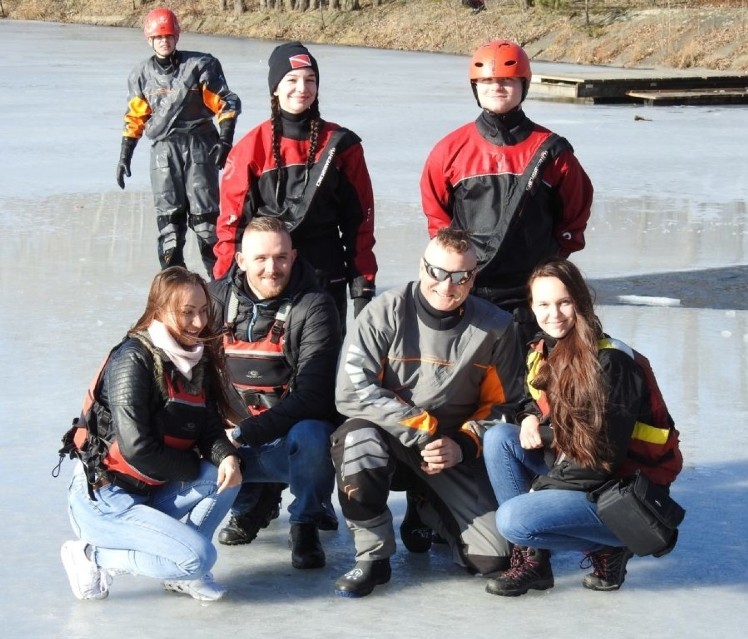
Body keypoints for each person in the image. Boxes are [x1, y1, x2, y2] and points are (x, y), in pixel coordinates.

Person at [331, 228, 524, 598]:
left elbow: (505, 406)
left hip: (448, 450)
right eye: (437, 272)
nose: (446, 286)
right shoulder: (382, 313)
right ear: (422, 267)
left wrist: (464, 444)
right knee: (357, 441)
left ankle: (425, 504)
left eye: (460, 277)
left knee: (492, 557)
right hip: (386, 437)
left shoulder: (496, 328)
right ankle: (373, 557)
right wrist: (424, 431)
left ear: (473, 278)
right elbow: (351, 390)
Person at [482, 258, 683, 596]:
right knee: (499, 438)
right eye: (543, 304)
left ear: (581, 302)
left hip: (627, 489)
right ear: (532, 306)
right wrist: (529, 417)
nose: (554, 314)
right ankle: (533, 562)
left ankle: (611, 545)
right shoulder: (544, 350)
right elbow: (536, 399)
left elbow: (599, 457)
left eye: (564, 302)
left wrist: (541, 488)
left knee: (513, 519)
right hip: (583, 472)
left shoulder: (611, 363)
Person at [60, 267, 243, 602]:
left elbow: (209, 428)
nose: (199, 323)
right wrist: (193, 464)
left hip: (151, 490)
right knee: (199, 558)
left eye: (203, 311)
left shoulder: (194, 358)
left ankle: (181, 574)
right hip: (107, 499)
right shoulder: (133, 359)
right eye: (187, 313)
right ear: (159, 311)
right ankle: (90, 555)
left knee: (227, 476)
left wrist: (225, 456)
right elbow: (137, 449)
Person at [420, 39, 593, 347]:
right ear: (475, 87)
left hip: (533, 294)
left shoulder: (554, 152)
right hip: (473, 289)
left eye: (506, 81)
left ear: (523, 85)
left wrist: (551, 267)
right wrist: (456, 270)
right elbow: (437, 220)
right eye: (487, 81)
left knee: (534, 381)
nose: (496, 87)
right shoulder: (450, 150)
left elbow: (575, 215)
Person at [213, 41, 377, 329]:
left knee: (321, 370)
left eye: (310, 80)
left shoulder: (343, 146)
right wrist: (220, 289)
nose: (302, 88)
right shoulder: (250, 149)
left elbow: (359, 223)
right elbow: (231, 229)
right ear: (275, 88)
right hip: (268, 280)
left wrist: (362, 287)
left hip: (325, 279)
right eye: (292, 80)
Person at [208, 217, 341, 569]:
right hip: (231, 438)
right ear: (240, 261)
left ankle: (305, 522)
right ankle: (253, 500)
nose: (272, 268)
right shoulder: (215, 299)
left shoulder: (315, 306)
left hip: (284, 440)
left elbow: (315, 397)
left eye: (281, 257)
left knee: (314, 434)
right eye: (261, 258)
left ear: (294, 256)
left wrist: (242, 434)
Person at [116, 7, 241, 277]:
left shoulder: (200, 67)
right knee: (169, 223)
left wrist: (224, 139)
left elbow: (226, 103)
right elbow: (136, 116)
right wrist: (125, 154)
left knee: (205, 221)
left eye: (169, 36)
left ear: (177, 37)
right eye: (159, 37)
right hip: (163, 149)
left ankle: (219, 285)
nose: (164, 41)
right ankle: (173, 287)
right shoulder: (141, 74)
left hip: (199, 144)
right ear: (149, 39)